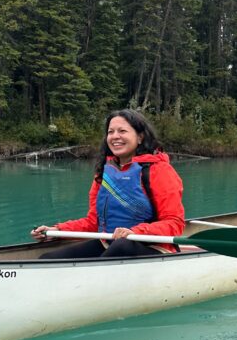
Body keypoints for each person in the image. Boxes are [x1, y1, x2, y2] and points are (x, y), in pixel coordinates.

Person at [31, 109, 185, 259]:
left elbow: (175, 223)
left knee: (121, 246)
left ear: (140, 137)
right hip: (110, 246)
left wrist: (134, 232)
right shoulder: (103, 174)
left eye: (122, 131)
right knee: (48, 258)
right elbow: (94, 222)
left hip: (153, 248)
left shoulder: (159, 170)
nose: (115, 136)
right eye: (111, 132)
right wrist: (57, 231)